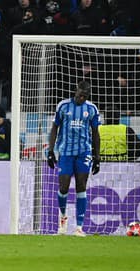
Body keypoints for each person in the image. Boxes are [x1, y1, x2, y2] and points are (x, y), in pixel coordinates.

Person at [47, 81, 101, 237]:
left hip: (84, 153)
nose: (82, 98)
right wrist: (51, 151)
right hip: (66, 152)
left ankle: (79, 227)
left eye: (85, 96)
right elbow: (54, 128)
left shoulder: (91, 109)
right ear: (75, 91)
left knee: (81, 186)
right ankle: (62, 220)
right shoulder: (63, 106)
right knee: (63, 187)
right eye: (80, 95)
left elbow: (95, 133)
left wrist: (97, 157)